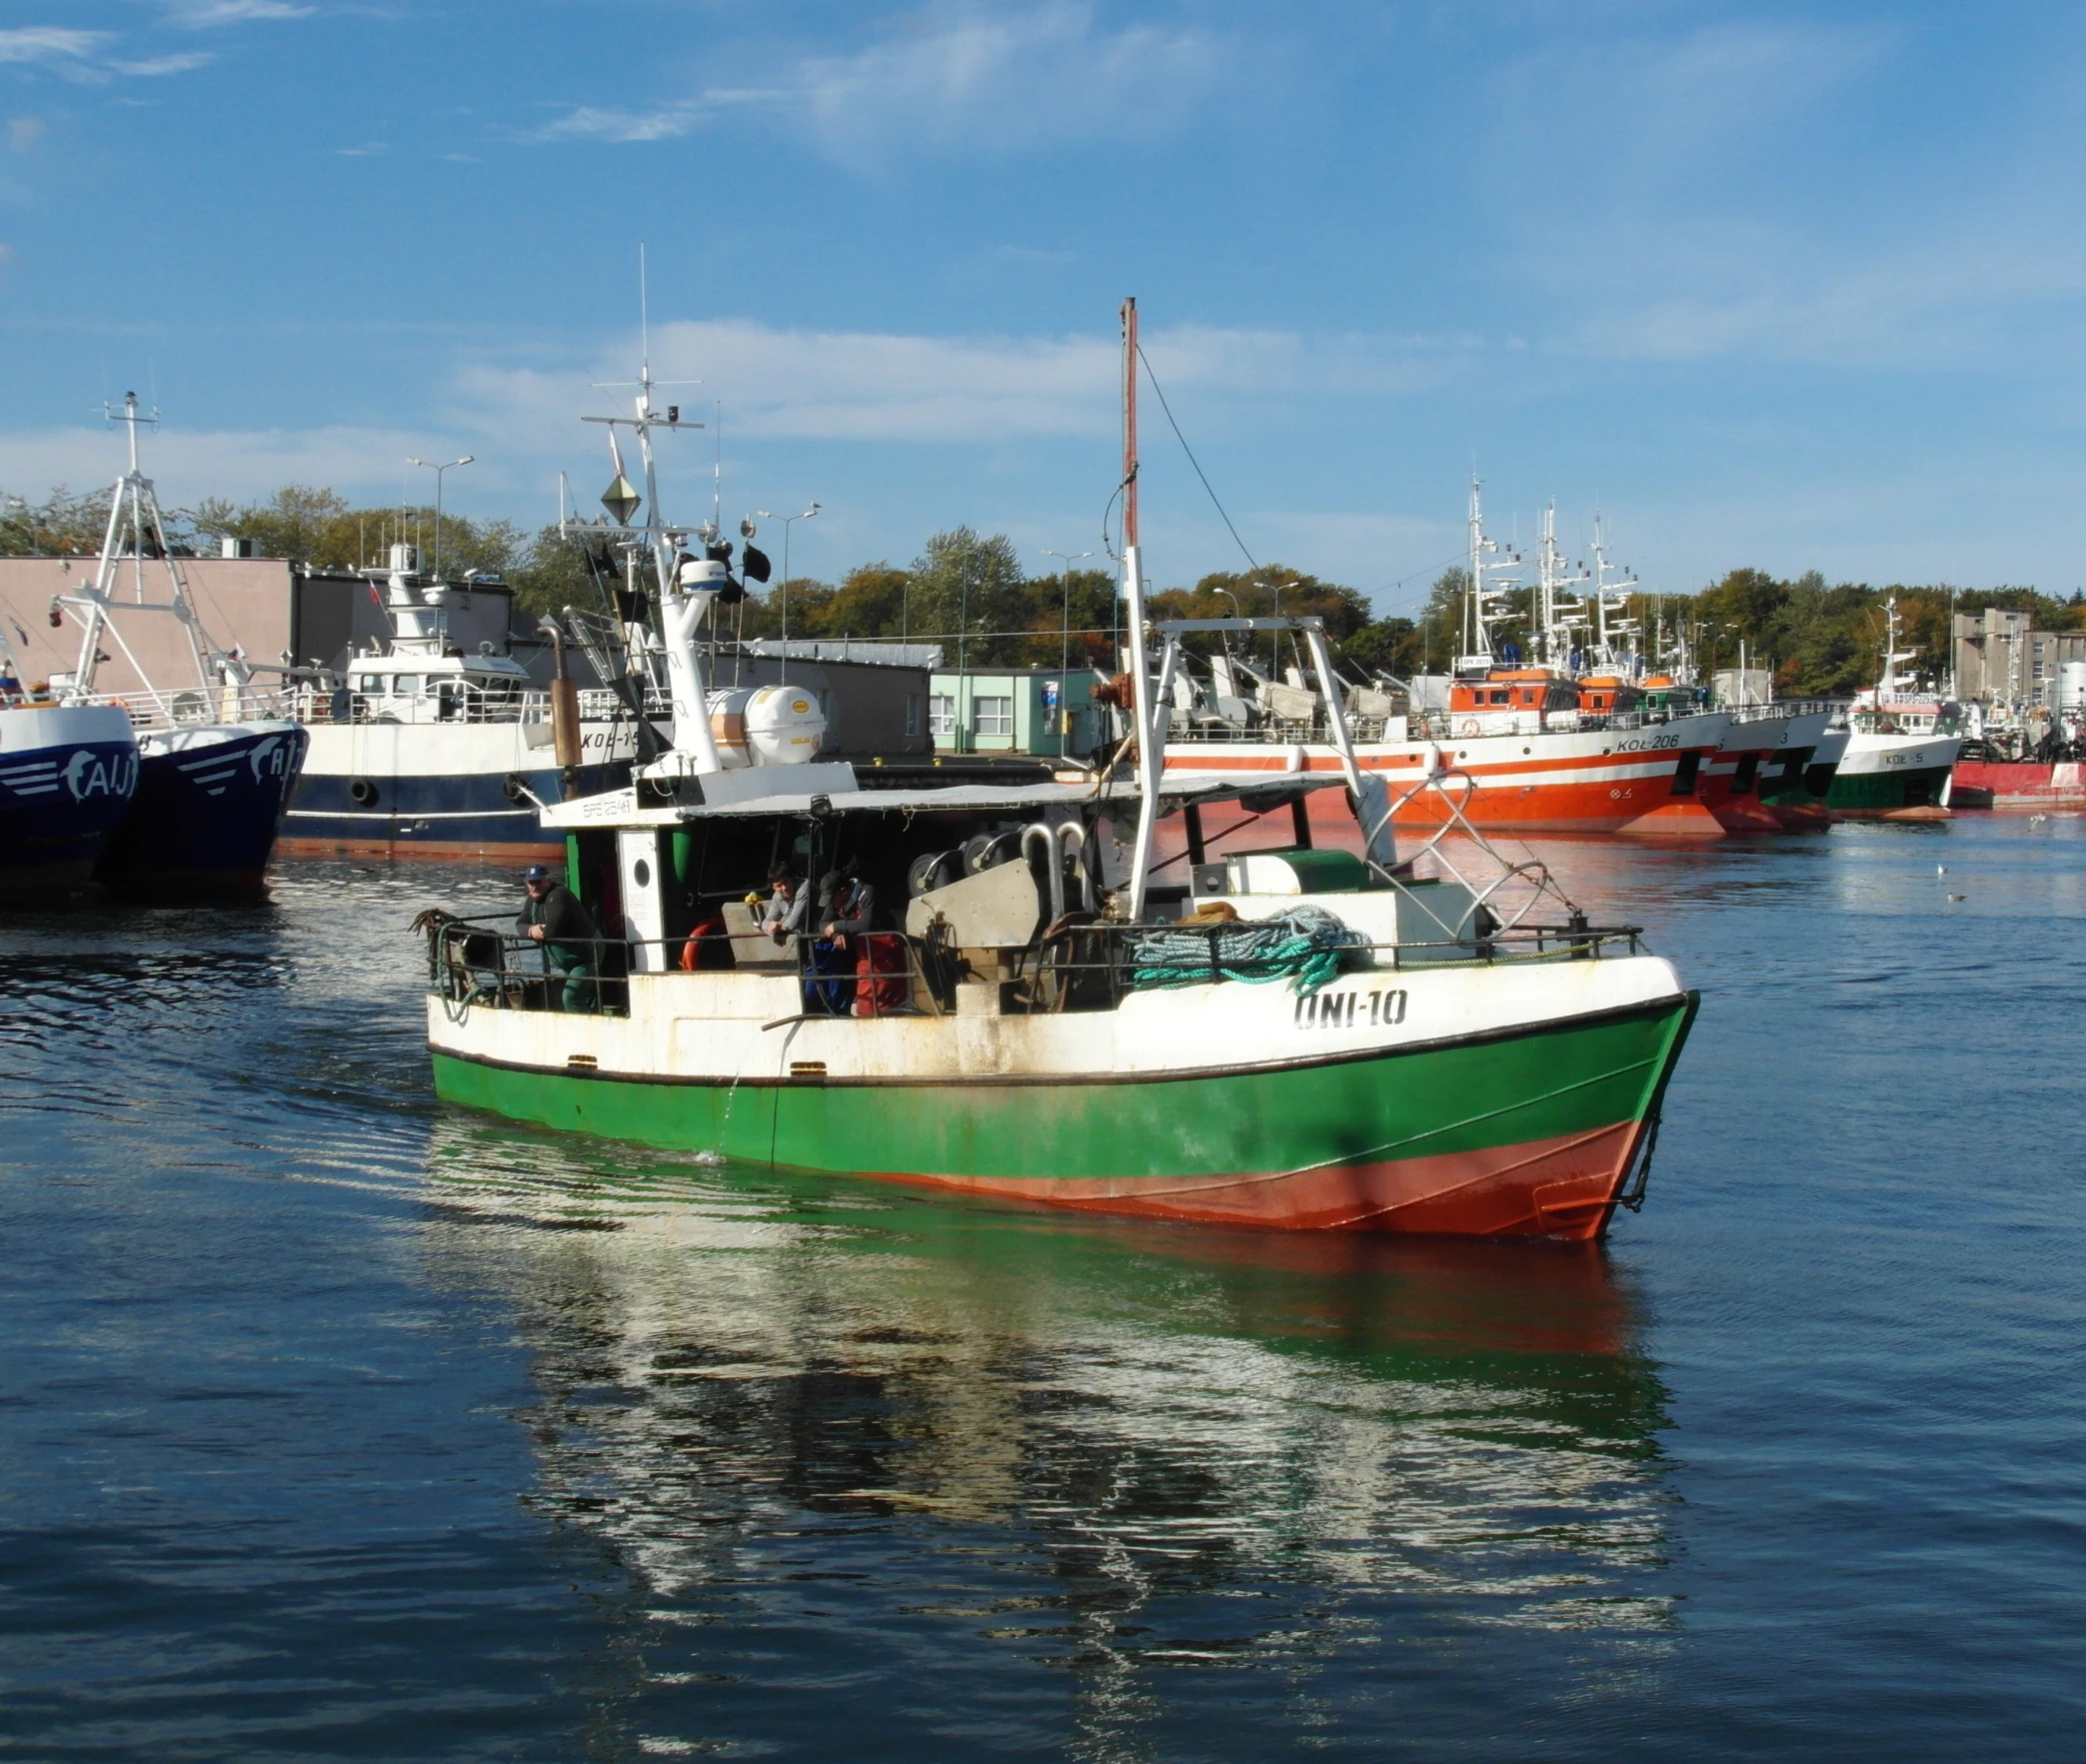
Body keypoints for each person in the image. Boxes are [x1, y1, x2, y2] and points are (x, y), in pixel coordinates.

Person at [516, 864, 597, 1012]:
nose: (534, 887)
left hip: (584, 959)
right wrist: (532, 929)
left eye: (538, 882)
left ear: (548, 880)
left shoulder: (559, 895)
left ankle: (584, 1032)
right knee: (570, 996)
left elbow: (552, 929)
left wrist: (540, 932)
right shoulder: (532, 900)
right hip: (566, 963)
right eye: (530, 883)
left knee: (570, 998)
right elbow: (520, 924)